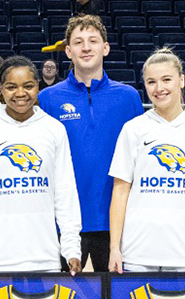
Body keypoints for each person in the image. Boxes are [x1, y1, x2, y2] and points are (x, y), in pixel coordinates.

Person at [107, 49, 185, 275]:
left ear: (182, 80)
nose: (159, 88)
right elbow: (120, 191)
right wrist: (114, 247)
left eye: (166, 79)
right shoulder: (133, 129)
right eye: (151, 82)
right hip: (137, 252)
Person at [0, 55, 81, 275]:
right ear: (1, 89)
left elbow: (65, 193)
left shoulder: (54, 129)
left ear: (38, 87)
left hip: (44, 258)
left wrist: (72, 249)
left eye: (28, 86)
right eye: (11, 87)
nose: (21, 93)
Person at [40, 15, 144, 272]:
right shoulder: (47, 99)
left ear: (105, 48)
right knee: (59, 296)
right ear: (68, 51)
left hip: (115, 222)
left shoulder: (128, 98)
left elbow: (141, 160)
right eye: (78, 42)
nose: (86, 48)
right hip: (63, 223)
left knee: (114, 297)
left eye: (93, 41)